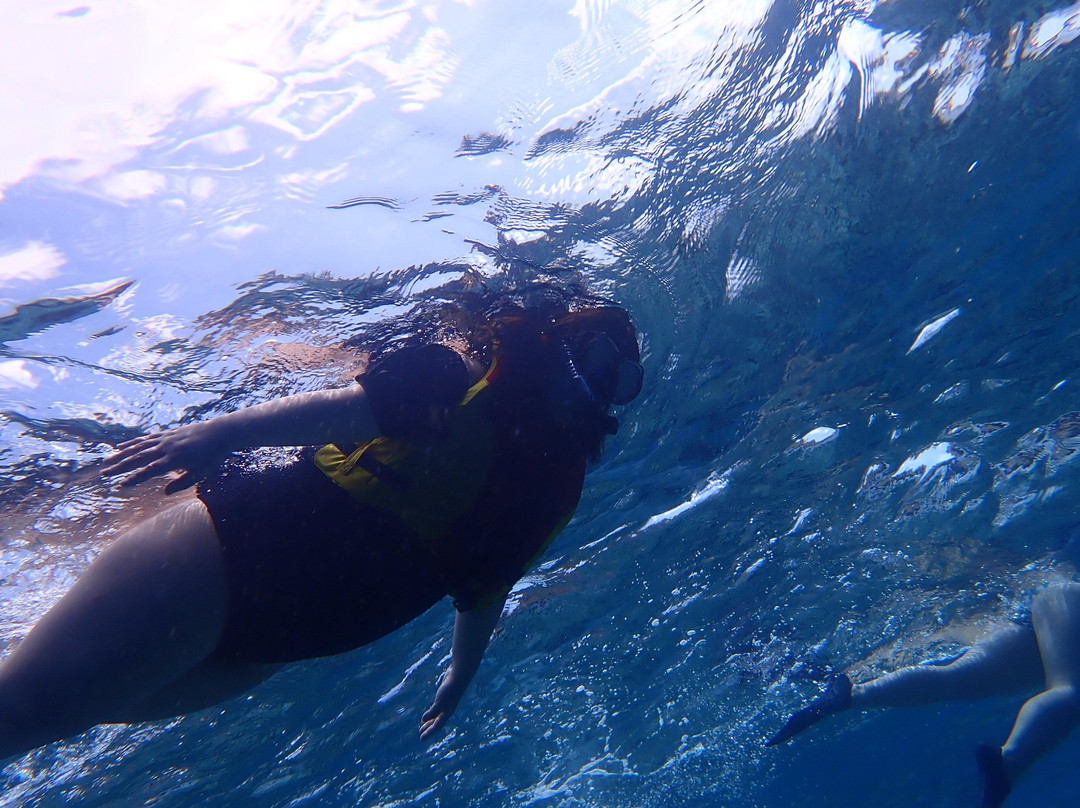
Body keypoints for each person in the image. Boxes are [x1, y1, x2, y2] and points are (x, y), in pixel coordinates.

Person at [0, 291, 644, 760]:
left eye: (620, 380)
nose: (598, 381)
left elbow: (485, 590)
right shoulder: (464, 372)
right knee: (21, 716)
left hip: (265, 647)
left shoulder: (548, 494)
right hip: (217, 561)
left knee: (60, 715)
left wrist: (457, 679)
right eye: (596, 354)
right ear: (559, 335)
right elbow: (344, 411)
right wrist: (215, 434)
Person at [766, 581, 1080, 808]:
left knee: (956, 678)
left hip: (1044, 603)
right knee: (1068, 688)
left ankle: (852, 695)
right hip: (1065, 593)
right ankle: (1009, 763)